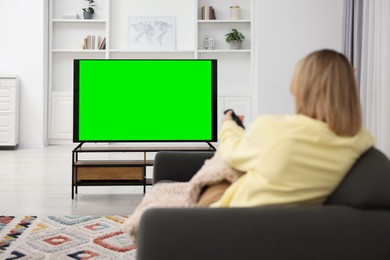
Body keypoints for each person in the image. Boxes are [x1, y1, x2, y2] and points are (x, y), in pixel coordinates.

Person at [210, 49, 375, 207]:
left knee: (214, 181)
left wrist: (228, 125)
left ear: (301, 87)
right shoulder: (359, 140)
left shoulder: (273, 129)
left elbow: (231, 154)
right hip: (292, 225)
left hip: (226, 219)